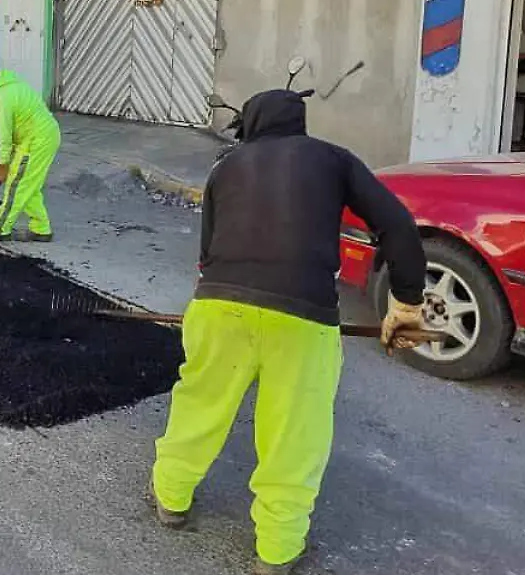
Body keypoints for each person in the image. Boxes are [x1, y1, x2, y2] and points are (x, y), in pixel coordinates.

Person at [149, 90, 427, 574]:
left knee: (199, 403)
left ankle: (171, 496)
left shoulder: (225, 167)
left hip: (217, 307)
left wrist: (216, 305)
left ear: (252, 125)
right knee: (294, 432)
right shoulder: (335, 160)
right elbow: (399, 228)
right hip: (303, 317)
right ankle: (276, 548)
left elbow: (206, 252)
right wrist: (405, 304)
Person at [0, 59, 61, 243]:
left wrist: (2, 166)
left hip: (36, 140)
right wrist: (4, 164)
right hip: (38, 136)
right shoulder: (11, 83)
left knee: (17, 186)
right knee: (27, 185)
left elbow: (4, 138)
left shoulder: (3, 97)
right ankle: (41, 229)